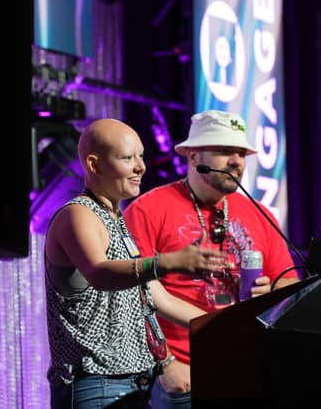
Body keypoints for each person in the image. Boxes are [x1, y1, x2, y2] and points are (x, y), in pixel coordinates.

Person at [44, 117, 229, 409]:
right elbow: (100, 273)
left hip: (134, 384)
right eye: (127, 158)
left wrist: (231, 324)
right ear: (94, 164)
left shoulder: (116, 219)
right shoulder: (77, 214)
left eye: (141, 156)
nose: (141, 167)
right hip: (96, 385)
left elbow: (159, 298)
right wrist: (166, 262)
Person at [123, 110, 300, 408]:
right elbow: (131, 295)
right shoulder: (149, 209)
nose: (237, 161)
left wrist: (270, 294)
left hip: (245, 369)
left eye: (241, 153)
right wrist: (165, 364)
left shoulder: (261, 215)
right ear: (193, 156)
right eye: (224, 150)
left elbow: (292, 286)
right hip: (179, 373)